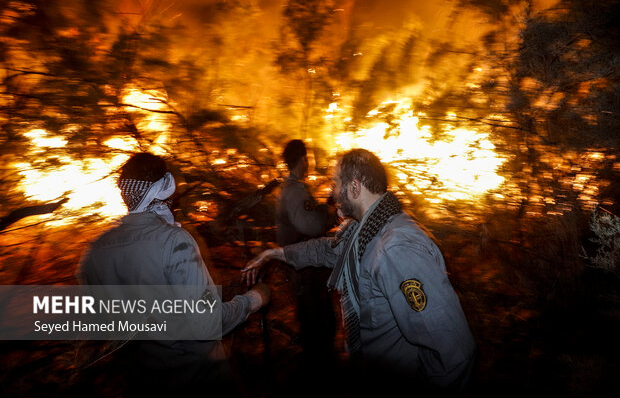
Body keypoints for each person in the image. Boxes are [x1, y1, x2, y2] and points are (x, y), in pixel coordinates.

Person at [243, 148, 476, 394]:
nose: (331, 194)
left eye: (335, 183)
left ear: (354, 188)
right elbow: (327, 249)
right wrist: (276, 253)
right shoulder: (363, 233)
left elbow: (453, 351)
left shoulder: (397, 249)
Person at [78, 152, 270, 395]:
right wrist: (254, 299)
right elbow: (207, 322)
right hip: (198, 380)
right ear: (166, 189)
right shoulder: (174, 241)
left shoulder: (95, 251)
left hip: (141, 383)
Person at [275, 140, 336, 368]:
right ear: (303, 160)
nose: (309, 162)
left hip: (303, 265)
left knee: (315, 317)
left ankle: (317, 362)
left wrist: (323, 207)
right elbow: (312, 226)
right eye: (308, 158)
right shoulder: (295, 191)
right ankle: (319, 368)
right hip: (306, 269)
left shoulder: (292, 189)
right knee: (317, 321)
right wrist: (329, 211)